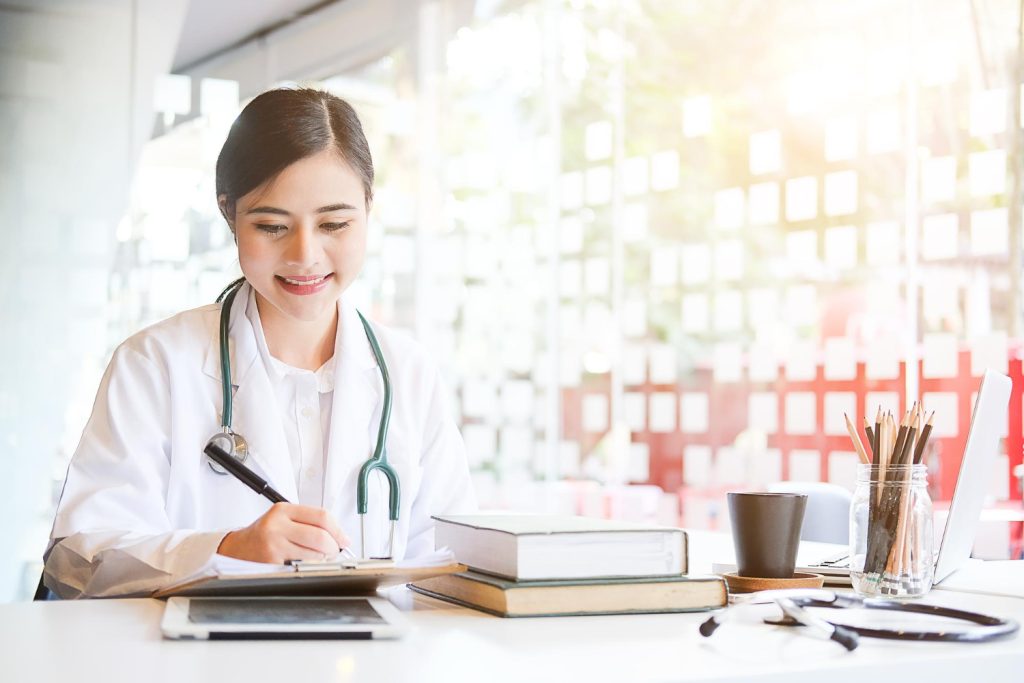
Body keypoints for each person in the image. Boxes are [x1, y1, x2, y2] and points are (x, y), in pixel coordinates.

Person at [42, 88, 476, 599]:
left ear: (368, 208)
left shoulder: (407, 373)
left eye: (334, 223)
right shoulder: (155, 364)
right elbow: (80, 560)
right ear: (228, 214)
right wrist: (227, 548)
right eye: (272, 226)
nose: (305, 254)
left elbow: (452, 564)